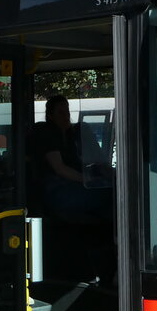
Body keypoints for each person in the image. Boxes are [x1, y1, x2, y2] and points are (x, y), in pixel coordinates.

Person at [34, 95, 110, 224]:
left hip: (70, 187)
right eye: (60, 112)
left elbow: (86, 162)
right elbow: (61, 169)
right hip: (57, 191)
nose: (66, 116)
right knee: (110, 195)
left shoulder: (71, 136)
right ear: (50, 116)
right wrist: (89, 180)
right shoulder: (47, 134)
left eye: (67, 111)